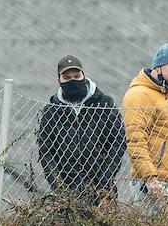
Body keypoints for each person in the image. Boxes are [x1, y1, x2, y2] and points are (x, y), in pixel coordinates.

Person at [35, 55, 126, 207]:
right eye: (67, 77)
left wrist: (104, 180)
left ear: (84, 76)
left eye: (77, 76)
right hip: (67, 191)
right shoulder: (52, 111)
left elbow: (118, 142)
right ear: (59, 81)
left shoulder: (104, 104)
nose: (73, 80)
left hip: (102, 189)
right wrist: (59, 186)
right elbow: (46, 151)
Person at [123, 44, 168, 208]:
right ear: (158, 67)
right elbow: (136, 140)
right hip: (152, 184)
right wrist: (149, 178)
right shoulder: (140, 94)